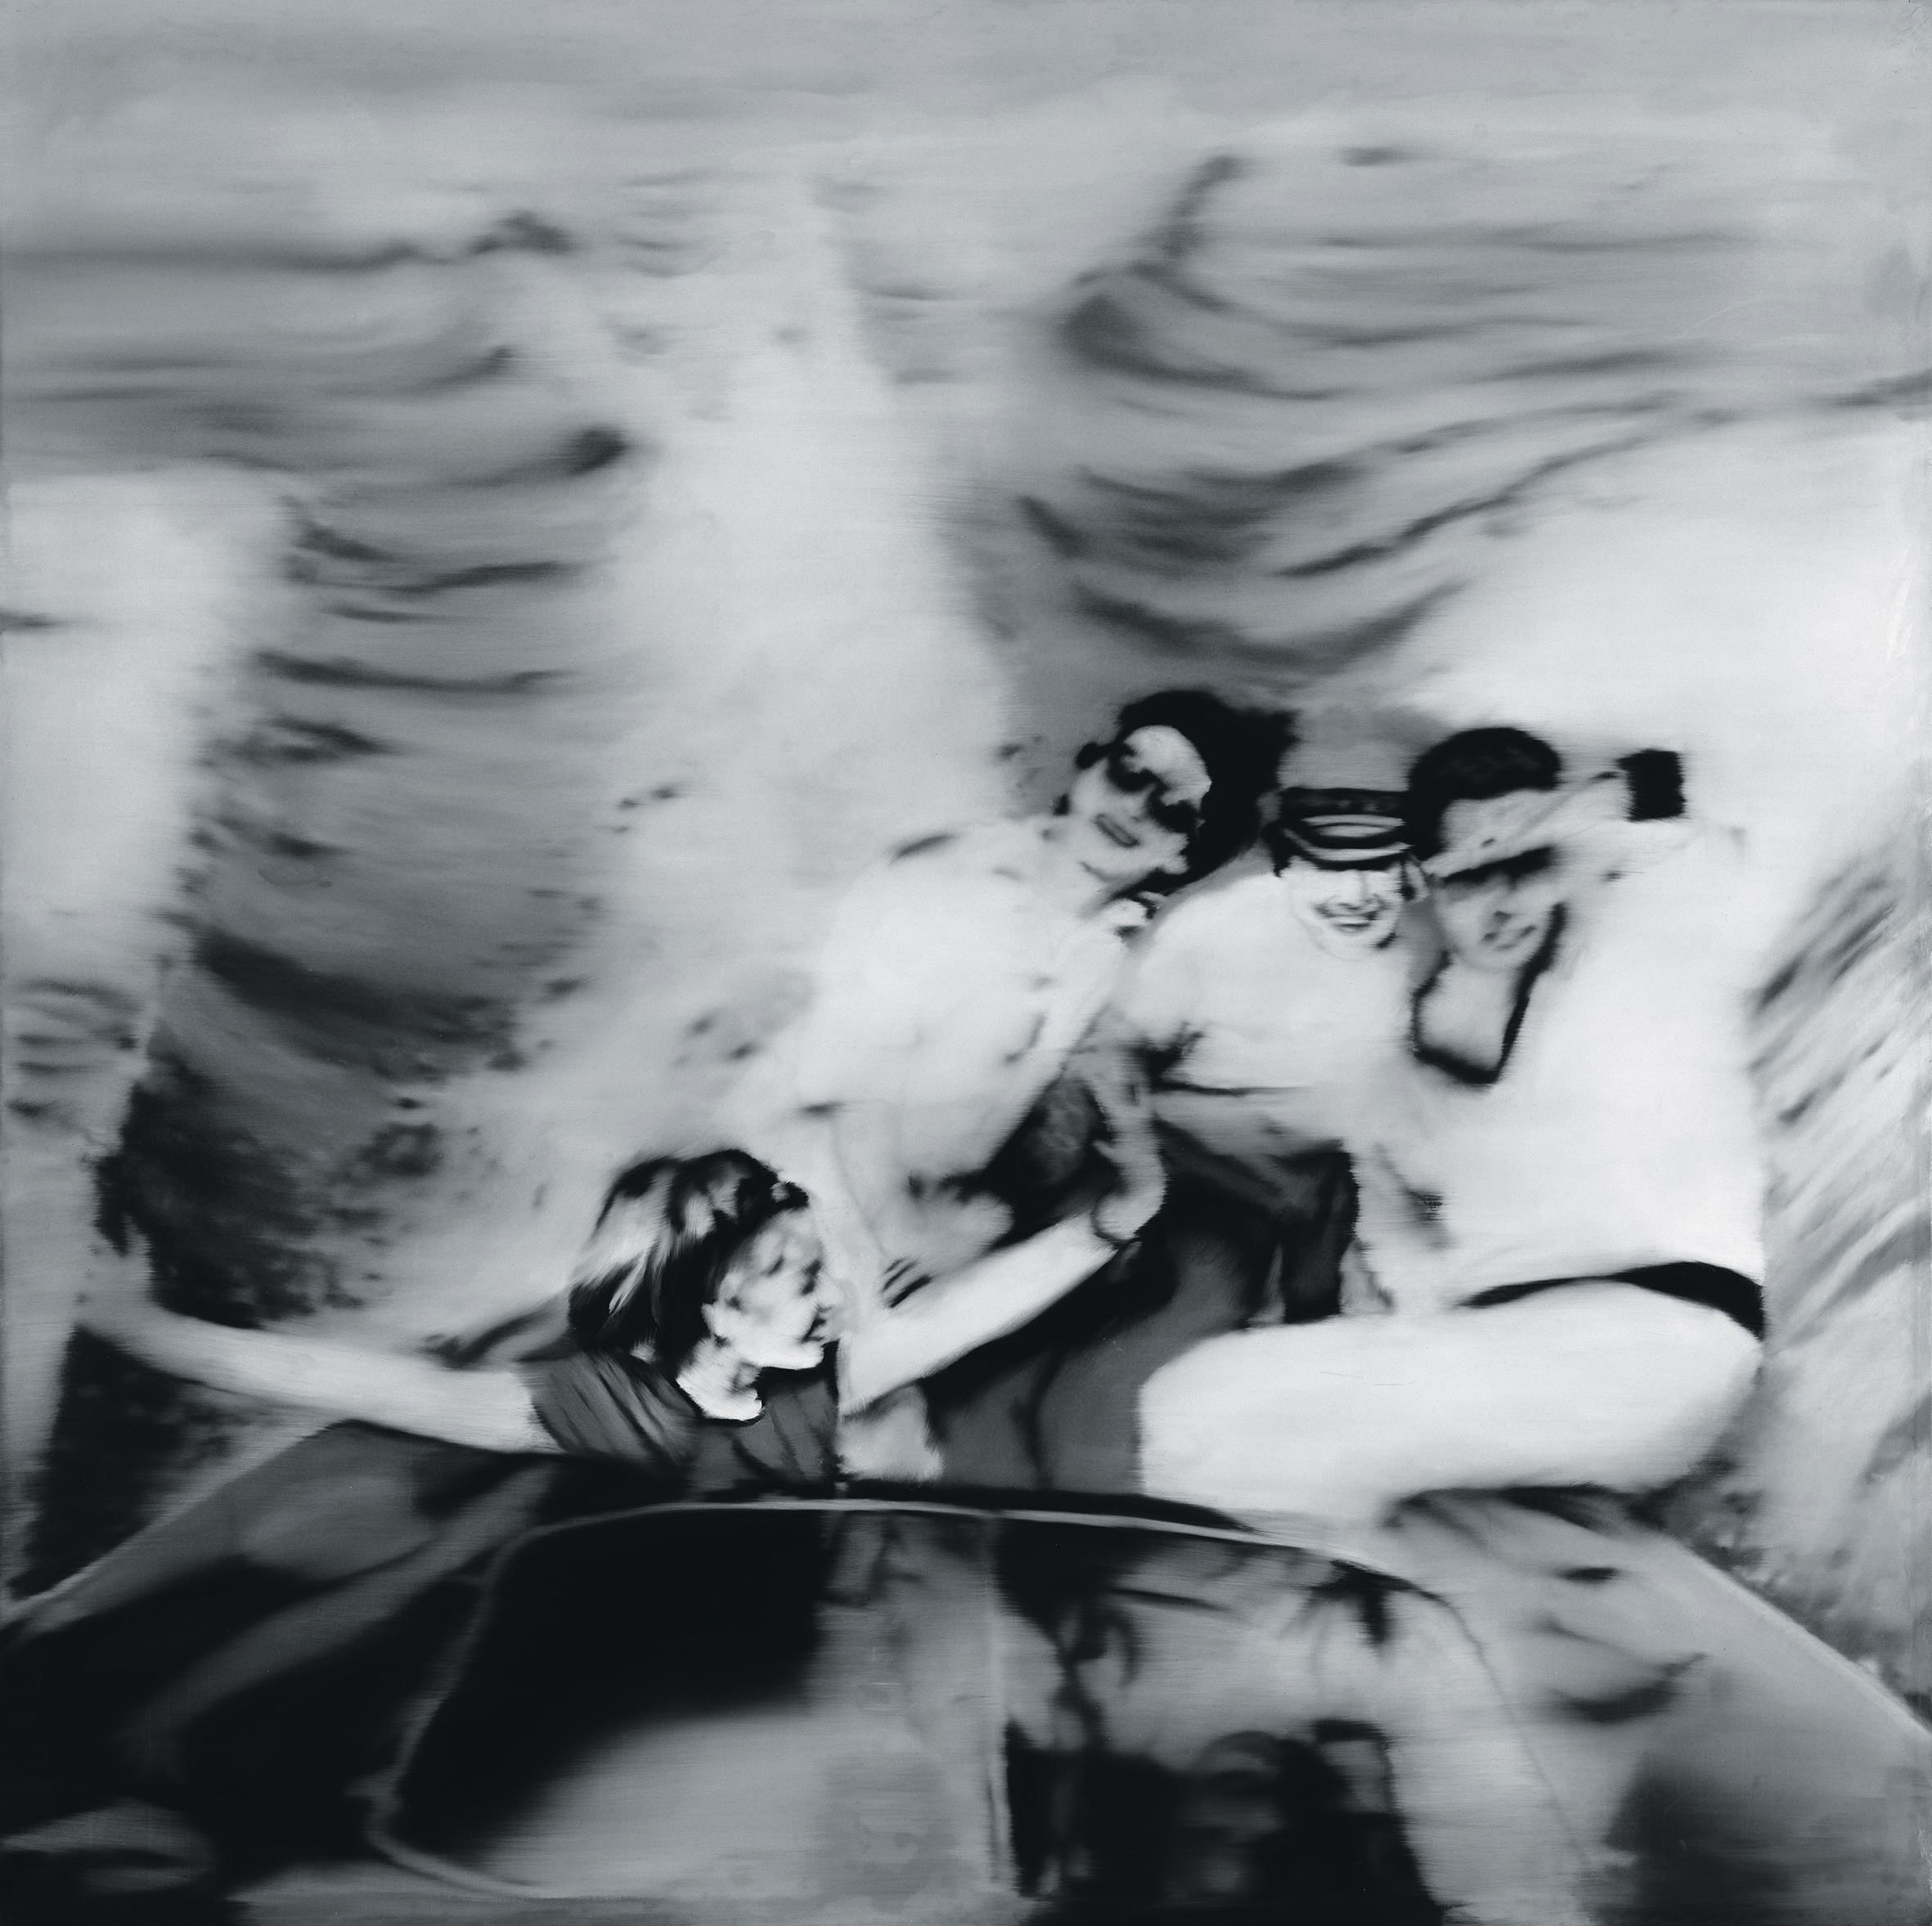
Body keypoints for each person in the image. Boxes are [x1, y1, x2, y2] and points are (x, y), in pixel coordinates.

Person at [1136, 727, 1769, 1526]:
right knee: (1200, 1401)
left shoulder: (1635, 957)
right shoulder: (1394, 1078)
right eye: (1471, 879)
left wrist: (1544, 828)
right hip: (1515, 1354)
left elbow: (1685, 810)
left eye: (1527, 867)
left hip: (1669, 1339)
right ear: (1429, 887)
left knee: (1204, 1406)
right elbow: (1402, 1264)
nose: (1504, 904)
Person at [722, 688, 1287, 1479]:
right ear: (1088, 767)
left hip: (919, 1222)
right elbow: (853, 1085)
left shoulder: (1109, 947)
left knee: (897, 1446)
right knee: (808, 1422)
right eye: (1129, 773)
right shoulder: (946, 880)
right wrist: (902, 1229)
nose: (1135, 807)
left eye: (1173, 810)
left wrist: (977, 1224)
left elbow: (1049, 1114)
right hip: (793, 1183)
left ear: (1183, 857)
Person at [991, 763, 1427, 1495]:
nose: (1355, 894)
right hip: (1188, 1180)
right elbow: (1112, 1052)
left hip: (1329, 1205)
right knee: (1115, 1358)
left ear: (1410, 869)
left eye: (1378, 866)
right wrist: (1131, 1168)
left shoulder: (1430, 951)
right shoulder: (1219, 929)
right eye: (1327, 866)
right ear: (1288, 863)